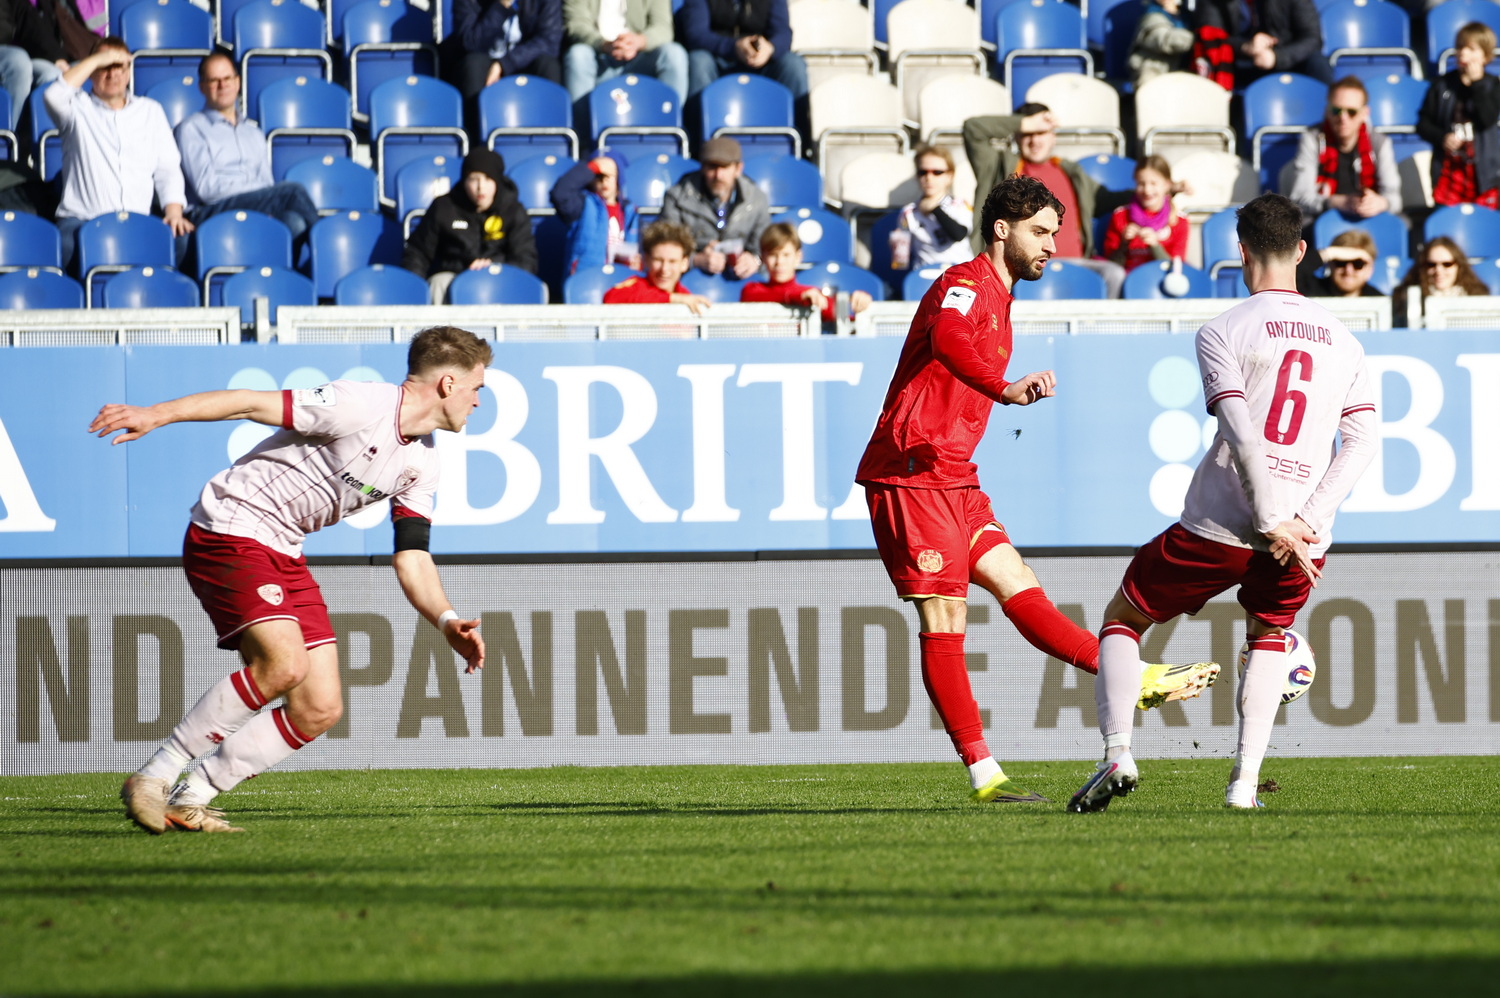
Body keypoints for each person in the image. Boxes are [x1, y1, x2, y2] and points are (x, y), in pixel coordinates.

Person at [855, 174, 1220, 806]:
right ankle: (986, 777)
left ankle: (1129, 675)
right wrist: (1004, 388)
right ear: (1002, 230)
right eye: (1040, 232)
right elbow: (947, 339)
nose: (1052, 245)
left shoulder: (1000, 300)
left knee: (1018, 583)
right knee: (945, 617)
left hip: (955, 476)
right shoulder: (964, 285)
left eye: (1054, 232)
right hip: (911, 472)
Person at [95, 326, 492, 834]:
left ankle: (191, 797)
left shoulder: (423, 461)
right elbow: (248, 402)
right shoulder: (360, 404)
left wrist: (446, 620)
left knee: (319, 707)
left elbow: (412, 557)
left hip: (283, 549)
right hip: (232, 526)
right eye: (477, 388)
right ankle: (155, 776)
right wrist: (158, 413)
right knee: (283, 665)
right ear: (448, 383)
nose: (478, 401)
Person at [1069, 193, 1377, 814]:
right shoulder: (1346, 342)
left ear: (1240, 251)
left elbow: (1241, 430)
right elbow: (1363, 443)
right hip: (1304, 538)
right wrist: (1305, 522)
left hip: (1222, 524)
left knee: (1123, 619)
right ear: (1301, 250)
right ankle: (1243, 786)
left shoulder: (1222, 329)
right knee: (1269, 635)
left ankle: (1118, 752)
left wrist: (1269, 519)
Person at [45, 36, 193, 273]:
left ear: (128, 71)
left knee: (183, 240)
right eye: (105, 66)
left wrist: (174, 211)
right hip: (83, 220)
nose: (112, 74)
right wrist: (97, 59)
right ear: (92, 70)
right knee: (66, 247)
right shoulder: (76, 109)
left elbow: (168, 168)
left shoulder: (150, 111)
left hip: (138, 220)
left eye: (118, 66)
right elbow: (53, 95)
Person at [963, 103, 1134, 296]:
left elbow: (1108, 199)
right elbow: (973, 129)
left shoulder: (1069, 171)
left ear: (1053, 136)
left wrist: (1158, 187)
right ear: (1017, 136)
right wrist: (1027, 123)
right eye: (1028, 134)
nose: (1034, 141)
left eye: (1041, 133)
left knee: (1113, 274)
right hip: (1021, 266)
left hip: (1077, 265)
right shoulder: (999, 166)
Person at [174, 53, 320, 246]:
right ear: (202, 87)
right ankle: (325, 246)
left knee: (294, 222)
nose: (222, 85)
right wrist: (259, 193)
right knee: (293, 191)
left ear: (238, 82)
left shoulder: (254, 133)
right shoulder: (191, 129)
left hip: (254, 207)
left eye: (227, 78)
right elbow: (207, 189)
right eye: (214, 80)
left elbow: (267, 183)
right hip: (210, 211)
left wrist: (262, 196)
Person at [402, 148, 537, 304]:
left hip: (501, 281)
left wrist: (494, 268)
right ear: (464, 180)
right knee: (439, 283)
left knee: (538, 288)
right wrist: (414, 288)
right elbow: (417, 253)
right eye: (473, 179)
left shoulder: (513, 211)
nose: (480, 187)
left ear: (498, 181)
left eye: (488, 179)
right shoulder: (444, 207)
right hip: (456, 278)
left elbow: (526, 261)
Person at [1284, 76, 1403, 223]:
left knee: (1401, 223)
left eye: (1351, 112)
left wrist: (1381, 203)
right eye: (1336, 110)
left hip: (1369, 218)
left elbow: (1395, 199)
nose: (1343, 118)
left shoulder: (1380, 143)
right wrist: (1336, 202)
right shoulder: (1313, 139)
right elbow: (1300, 198)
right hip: (1323, 219)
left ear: (1365, 113)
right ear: (1327, 111)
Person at [1415, 21, 1500, 208]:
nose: (1463, 53)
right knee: (1448, 218)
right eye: (1460, 47)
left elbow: (1487, 119)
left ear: (1485, 55)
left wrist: (1476, 84)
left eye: (1471, 49)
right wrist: (1442, 137)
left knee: (1485, 220)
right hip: (1449, 170)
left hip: (1484, 173)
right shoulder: (1441, 85)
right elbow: (1422, 124)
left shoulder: (1492, 85)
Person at [659, 136, 769, 278]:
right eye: (712, 167)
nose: (718, 175)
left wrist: (755, 260)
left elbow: (767, 248)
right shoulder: (676, 197)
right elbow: (665, 248)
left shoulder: (756, 199)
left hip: (742, 280)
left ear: (738, 169)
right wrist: (696, 260)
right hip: (689, 280)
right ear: (702, 167)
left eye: (724, 167)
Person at [740, 221, 871, 323]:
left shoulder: (811, 295)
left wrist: (859, 304)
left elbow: (839, 318)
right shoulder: (752, 290)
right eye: (773, 255)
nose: (779, 262)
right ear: (763, 257)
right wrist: (798, 297)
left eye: (786, 255)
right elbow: (758, 297)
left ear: (798, 257)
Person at [675, 0, 807, 100]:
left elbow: (783, 33)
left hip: (760, 62)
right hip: (717, 59)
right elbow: (696, 35)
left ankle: (798, 127)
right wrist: (734, 47)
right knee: (698, 61)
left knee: (793, 64)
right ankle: (698, 126)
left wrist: (770, 48)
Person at [562, 0, 688, 101]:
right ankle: (582, 123)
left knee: (674, 54)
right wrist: (604, 44)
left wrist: (638, 42)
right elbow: (576, 25)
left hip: (641, 57)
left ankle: (670, 120)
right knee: (578, 55)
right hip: (598, 56)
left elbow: (663, 27)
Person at [443, 0, 564, 100]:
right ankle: (476, 121)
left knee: (548, 65)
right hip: (483, 61)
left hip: (522, 60)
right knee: (472, 65)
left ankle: (549, 121)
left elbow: (548, 41)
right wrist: (500, 7)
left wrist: (504, 64)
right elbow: (469, 43)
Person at [1196, 0, 1331, 85]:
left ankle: (1328, 115)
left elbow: (1312, 38)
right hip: (1238, 63)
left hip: (1285, 58)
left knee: (1317, 63)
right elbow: (1209, 37)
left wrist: (1277, 57)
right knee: (1209, 61)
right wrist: (1245, 47)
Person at [550, 150, 641, 274]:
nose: (604, 181)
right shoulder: (583, 205)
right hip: (588, 277)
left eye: (609, 175)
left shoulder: (630, 211)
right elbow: (560, 194)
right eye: (598, 176)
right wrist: (592, 167)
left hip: (621, 277)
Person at [888, 145, 972, 274]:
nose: (929, 178)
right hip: (925, 275)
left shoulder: (960, 205)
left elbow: (959, 234)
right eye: (923, 172)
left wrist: (935, 209)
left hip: (961, 273)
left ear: (949, 176)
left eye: (937, 172)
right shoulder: (908, 213)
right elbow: (900, 262)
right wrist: (897, 247)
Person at [1100, 154, 1189, 273]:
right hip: (1127, 279)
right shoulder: (1120, 216)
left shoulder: (1179, 221)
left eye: (1153, 183)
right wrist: (1123, 244)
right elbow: (1110, 268)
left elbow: (1176, 269)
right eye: (1141, 184)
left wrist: (1155, 246)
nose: (1147, 190)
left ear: (1167, 185)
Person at [601, 218, 711, 312]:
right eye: (658, 260)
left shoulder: (684, 295)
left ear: (684, 264)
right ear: (646, 260)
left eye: (672, 261)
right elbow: (611, 297)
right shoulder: (635, 287)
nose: (664, 269)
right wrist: (671, 299)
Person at [0, 0, 68, 128]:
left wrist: (55, 57)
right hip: (11, 57)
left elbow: (28, 21)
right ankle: (7, 135)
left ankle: (37, 137)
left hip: (8, 51)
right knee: (18, 62)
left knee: (52, 74)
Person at [1392, 234, 1490, 321]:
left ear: (1459, 266)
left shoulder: (1477, 297)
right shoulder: (1407, 299)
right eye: (1431, 264)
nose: (1439, 270)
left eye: (1447, 264)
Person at [1299, 228, 1385, 298]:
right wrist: (1329, 253)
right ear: (1330, 263)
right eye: (1341, 262)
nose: (1348, 270)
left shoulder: (1381, 301)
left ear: (1370, 270)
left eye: (1358, 264)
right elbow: (1293, 272)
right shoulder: (1311, 290)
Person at [1127, 0, 1194, 88]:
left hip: (1180, 72)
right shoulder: (1152, 14)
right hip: (1154, 70)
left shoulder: (1187, 15)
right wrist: (1197, 38)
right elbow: (1163, 41)